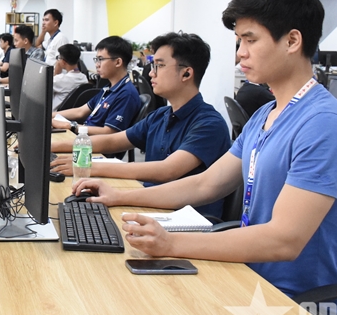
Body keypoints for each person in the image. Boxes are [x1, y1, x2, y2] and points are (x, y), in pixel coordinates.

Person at [74, 0, 337, 315]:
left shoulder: (323, 124)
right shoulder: (266, 114)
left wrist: (171, 243)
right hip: (249, 282)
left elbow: (284, 240)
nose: (240, 53)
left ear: (292, 41)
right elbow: (205, 184)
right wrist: (117, 197)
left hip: (304, 311)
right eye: (239, 42)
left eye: (250, 40)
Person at [52, 32, 231, 218]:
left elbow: (167, 170)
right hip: (152, 206)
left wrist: (87, 166)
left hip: (184, 220)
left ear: (186, 73)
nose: (151, 73)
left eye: (159, 66)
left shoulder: (209, 124)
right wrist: (52, 146)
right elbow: (112, 141)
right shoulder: (160, 116)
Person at [51, 37, 140, 136]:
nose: (97, 65)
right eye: (96, 60)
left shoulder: (126, 94)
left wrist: (72, 126)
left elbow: (110, 132)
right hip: (84, 136)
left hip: (94, 142)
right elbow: (80, 111)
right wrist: (49, 116)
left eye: (100, 59)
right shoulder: (108, 88)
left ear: (118, 62)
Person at [52, 44, 90, 108]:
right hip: (74, 112)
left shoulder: (59, 79)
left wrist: (56, 71)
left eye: (59, 58)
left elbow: (47, 89)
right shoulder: (84, 78)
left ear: (63, 62)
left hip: (56, 112)